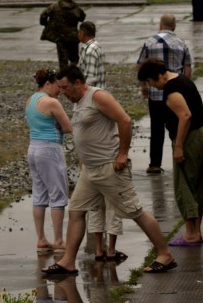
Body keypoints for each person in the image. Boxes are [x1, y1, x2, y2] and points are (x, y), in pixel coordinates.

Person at [43, 66, 176, 276]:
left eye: (66, 87)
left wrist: (122, 154)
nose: (63, 92)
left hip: (109, 168)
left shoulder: (98, 97)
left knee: (135, 212)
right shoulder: (77, 101)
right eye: (60, 88)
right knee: (76, 211)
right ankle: (68, 261)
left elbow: (125, 120)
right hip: (90, 170)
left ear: (78, 83)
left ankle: (164, 254)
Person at [138, 59, 203, 247]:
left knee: (185, 185)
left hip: (191, 138)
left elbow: (185, 116)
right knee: (200, 183)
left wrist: (178, 146)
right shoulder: (182, 78)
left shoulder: (171, 90)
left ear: (155, 76)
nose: (151, 86)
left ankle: (191, 234)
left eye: (150, 82)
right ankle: (197, 231)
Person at [77, 20, 123, 259]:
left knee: (107, 200)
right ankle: (103, 249)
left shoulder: (92, 50)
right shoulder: (89, 48)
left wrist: (81, 94)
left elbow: (91, 79)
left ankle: (104, 249)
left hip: (97, 109)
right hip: (100, 156)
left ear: (82, 33)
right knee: (102, 200)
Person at [136, 14, 193, 175]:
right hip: (175, 95)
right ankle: (181, 157)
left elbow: (140, 65)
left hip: (155, 95)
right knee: (177, 127)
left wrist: (144, 86)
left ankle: (155, 163)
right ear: (174, 26)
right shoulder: (181, 43)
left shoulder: (149, 42)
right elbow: (187, 67)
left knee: (157, 129)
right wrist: (184, 87)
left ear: (160, 25)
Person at [26, 68, 72, 254]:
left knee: (39, 193)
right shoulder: (52, 102)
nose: (60, 90)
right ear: (48, 83)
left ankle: (41, 239)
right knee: (58, 193)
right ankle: (59, 240)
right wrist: (60, 125)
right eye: (57, 86)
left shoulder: (30, 100)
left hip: (33, 147)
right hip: (50, 148)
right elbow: (68, 127)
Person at [39, 0, 85, 68]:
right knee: (74, 58)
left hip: (60, 36)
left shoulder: (54, 6)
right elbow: (82, 18)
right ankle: (75, 75)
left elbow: (43, 15)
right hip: (73, 36)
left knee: (63, 59)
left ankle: (64, 76)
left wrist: (46, 24)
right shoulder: (76, 8)